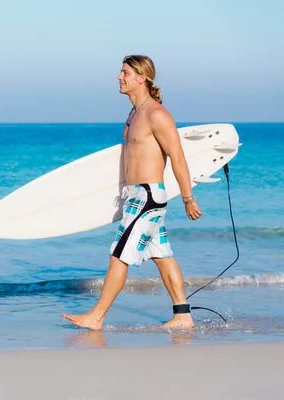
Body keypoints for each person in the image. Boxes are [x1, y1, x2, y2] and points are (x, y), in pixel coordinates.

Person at [63, 55, 202, 330]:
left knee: (119, 253)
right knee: (161, 254)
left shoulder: (156, 115)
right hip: (135, 195)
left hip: (148, 196)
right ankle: (183, 315)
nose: (119, 77)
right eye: (121, 72)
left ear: (142, 78)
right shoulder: (134, 114)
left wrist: (188, 198)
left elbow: (178, 157)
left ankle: (97, 317)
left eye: (125, 72)